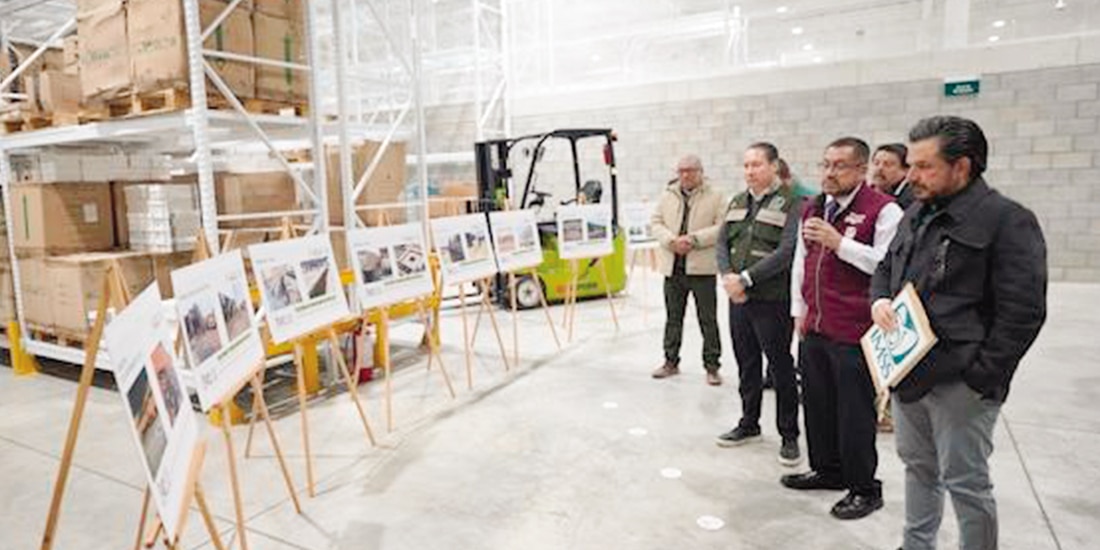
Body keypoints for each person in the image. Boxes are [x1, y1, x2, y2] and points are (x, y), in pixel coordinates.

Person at [871, 116, 1047, 550]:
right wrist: (879, 300)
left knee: (966, 483)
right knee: (918, 469)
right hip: (910, 373)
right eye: (910, 165)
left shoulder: (1007, 220)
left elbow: (1023, 312)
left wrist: (982, 378)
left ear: (962, 167)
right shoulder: (917, 212)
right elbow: (886, 267)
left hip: (961, 383)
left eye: (924, 166)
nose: (911, 176)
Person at [781, 137, 903, 520]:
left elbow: (887, 266)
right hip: (816, 325)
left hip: (855, 330)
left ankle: (864, 488)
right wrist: (798, 310)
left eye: (839, 166)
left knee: (854, 413)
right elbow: (801, 262)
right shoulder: (814, 207)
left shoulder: (884, 211)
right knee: (817, 406)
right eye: (825, 164)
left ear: (861, 170)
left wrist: (840, 244)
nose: (829, 173)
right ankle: (828, 470)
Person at [715, 142, 802, 467]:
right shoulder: (737, 201)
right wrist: (727, 277)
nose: (750, 171)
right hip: (738, 299)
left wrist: (746, 278)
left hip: (772, 300)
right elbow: (723, 242)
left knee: (780, 368)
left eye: (757, 165)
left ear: (774, 166)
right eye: (746, 165)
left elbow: (788, 250)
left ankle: (789, 434)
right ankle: (748, 423)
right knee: (746, 364)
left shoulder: (794, 203)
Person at [650, 154, 726, 386]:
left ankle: (712, 367)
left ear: (701, 172)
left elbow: (723, 226)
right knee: (673, 318)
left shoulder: (716, 196)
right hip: (673, 269)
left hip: (702, 269)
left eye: (690, 170)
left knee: (708, 319)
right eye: (681, 170)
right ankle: (670, 362)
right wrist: (671, 241)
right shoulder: (667, 195)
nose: (685, 175)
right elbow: (656, 222)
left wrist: (694, 239)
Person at [871, 143, 916, 209]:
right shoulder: (865, 192)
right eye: (876, 163)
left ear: (906, 170)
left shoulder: (912, 198)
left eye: (887, 165)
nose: (879, 168)